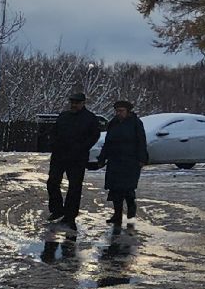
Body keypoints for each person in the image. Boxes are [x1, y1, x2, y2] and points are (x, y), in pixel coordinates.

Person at [47, 91, 102, 227]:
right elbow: (54, 131)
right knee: (52, 183)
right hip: (59, 155)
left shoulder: (90, 118)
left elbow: (94, 135)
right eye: (72, 102)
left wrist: (82, 148)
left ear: (83, 103)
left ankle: (70, 215)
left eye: (77, 103)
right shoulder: (64, 116)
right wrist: (54, 143)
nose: (74, 105)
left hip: (77, 157)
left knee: (74, 187)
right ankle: (57, 209)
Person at [99, 100, 148, 229]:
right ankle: (117, 215)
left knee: (128, 190)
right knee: (115, 190)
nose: (119, 113)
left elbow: (141, 141)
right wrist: (102, 157)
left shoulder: (136, 124)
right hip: (115, 161)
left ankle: (131, 216)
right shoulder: (113, 123)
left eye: (121, 111)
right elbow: (108, 142)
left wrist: (142, 159)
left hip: (130, 162)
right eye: (117, 111)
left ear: (128, 111)